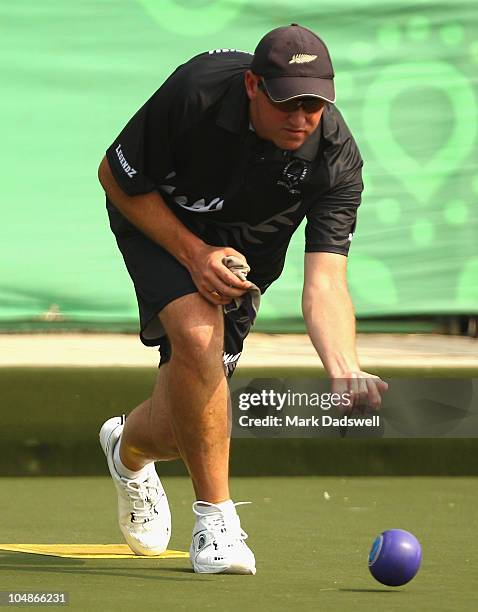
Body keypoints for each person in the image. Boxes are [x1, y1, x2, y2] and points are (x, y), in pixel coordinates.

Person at [97, 23, 388, 575]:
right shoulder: (197, 91)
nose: (301, 119)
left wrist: (345, 366)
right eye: (287, 103)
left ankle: (126, 451)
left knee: (181, 425)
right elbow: (115, 175)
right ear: (253, 85)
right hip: (161, 222)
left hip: (245, 256)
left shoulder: (336, 160)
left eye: (315, 105)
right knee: (197, 336)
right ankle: (216, 523)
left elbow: (326, 281)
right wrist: (192, 253)